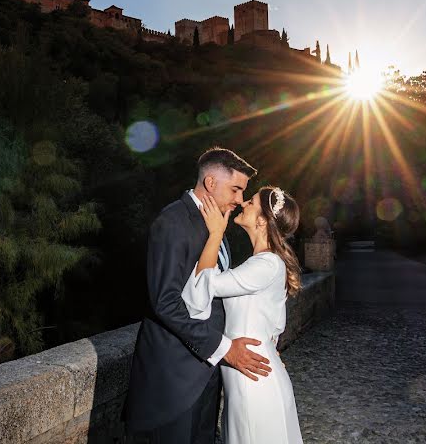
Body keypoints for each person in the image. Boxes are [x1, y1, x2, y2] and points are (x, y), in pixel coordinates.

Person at [125, 147, 271, 443]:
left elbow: (214, 295)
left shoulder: (216, 223)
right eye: (236, 189)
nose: (240, 200)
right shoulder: (173, 222)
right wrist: (224, 347)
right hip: (174, 379)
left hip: (208, 372)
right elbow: (165, 303)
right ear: (210, 183)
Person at [183, 186, 304, 443]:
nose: (242, 203)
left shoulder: (266, 264)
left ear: (261, 220)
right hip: (250, 373)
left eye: (250, 202)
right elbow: (273, 326)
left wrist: (216, 233)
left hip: (253, 382)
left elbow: (202, 287)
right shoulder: (263, 262)